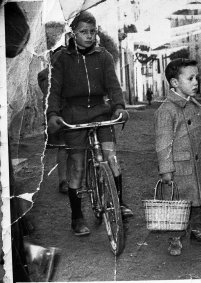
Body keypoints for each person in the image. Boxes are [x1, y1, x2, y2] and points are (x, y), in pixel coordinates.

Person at [46, 11, 133, 237]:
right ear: (73, 33)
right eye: (84, 32)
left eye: (92, 32)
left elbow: (113, 86)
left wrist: (119, 106)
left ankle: (119, 202)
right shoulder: (62, 58)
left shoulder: (103, 56)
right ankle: (77, 217)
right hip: (73, 114)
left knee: (111, 157)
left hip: (99, 111)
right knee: (77, 166)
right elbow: (53, 90)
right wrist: (53, 114)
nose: (89, 36)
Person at [154, 58, 201, 256]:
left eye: (196, 77)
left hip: (199, 164)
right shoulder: (167, 110)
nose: (196, 82)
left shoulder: (195, 106)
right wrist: (166, 170)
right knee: (178, 203)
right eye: (190, 78)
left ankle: (198, 231)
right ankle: (175, 237)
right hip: (180, 168)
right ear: (174, 83)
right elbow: (163, 144)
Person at [38, 51, 69, 194]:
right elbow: (48, 95)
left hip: (71, 112)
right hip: (59, 114)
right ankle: (63, 180)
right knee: (63, 147)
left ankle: (72, 179)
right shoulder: (46, 75)